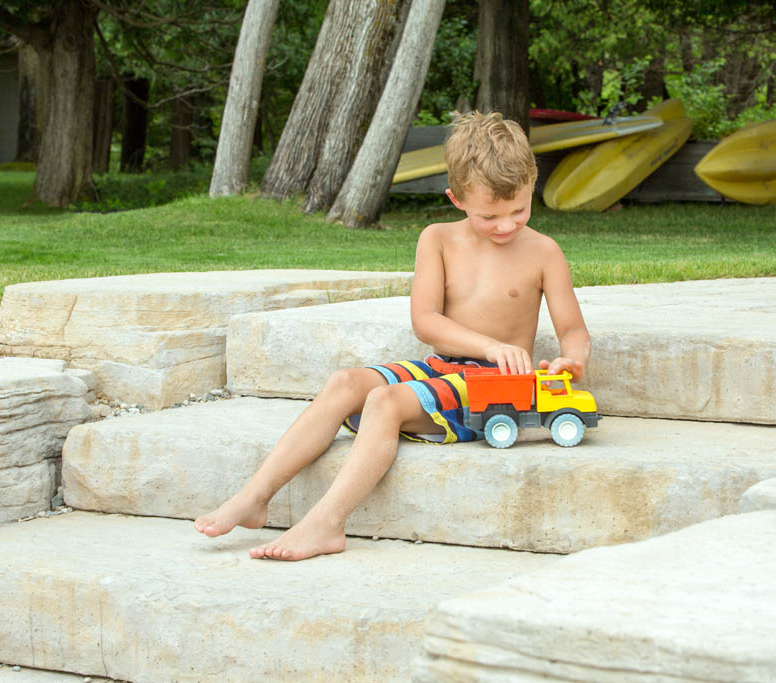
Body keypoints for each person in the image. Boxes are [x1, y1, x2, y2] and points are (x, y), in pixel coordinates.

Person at [193, 111, 591, 561]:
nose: (506, 225)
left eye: (518, 210)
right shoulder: (437, 239)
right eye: (490, 215)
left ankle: (326, 524)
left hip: (492, 386)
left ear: (532, 183)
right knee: (345, 382)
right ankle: (256, 495)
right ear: (456, 198)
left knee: (384, 401)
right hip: (441, 368)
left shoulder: (543, 252)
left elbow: (572, 330)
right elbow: (426, 321)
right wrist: (488, 343)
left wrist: (571, 360)